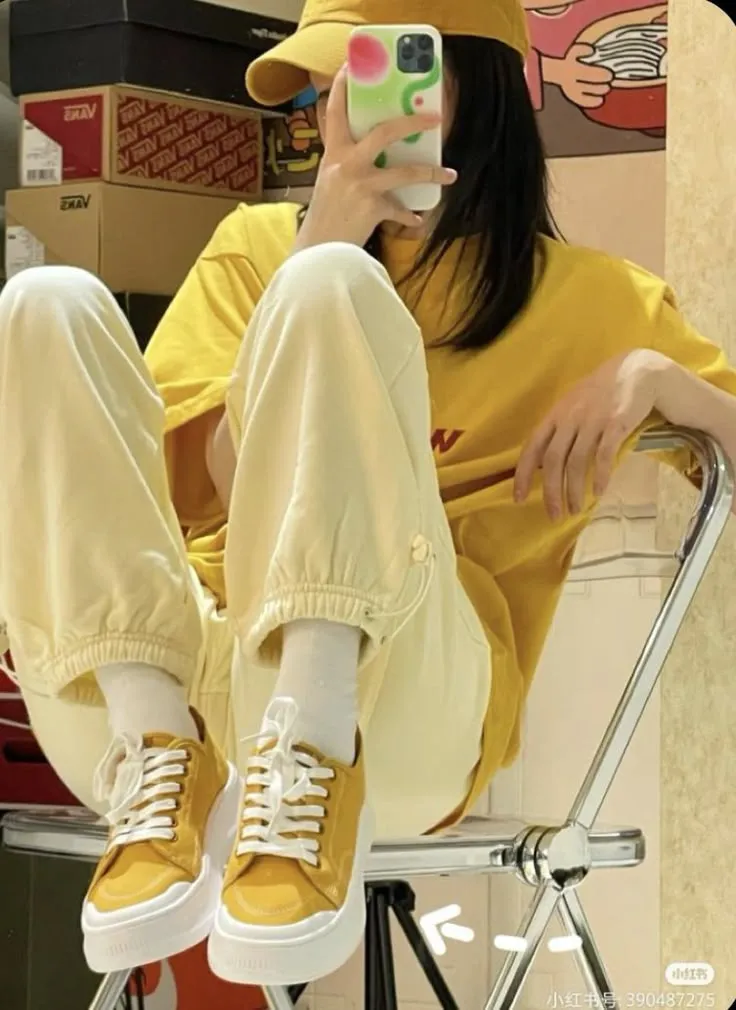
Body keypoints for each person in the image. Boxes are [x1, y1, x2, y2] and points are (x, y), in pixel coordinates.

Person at [1, 0, 735, 990]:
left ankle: (313, 740)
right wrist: (324, 241)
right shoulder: (258, 246)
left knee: (331, 292)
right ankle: (155, 738)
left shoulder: (590, 299)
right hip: (163, 706)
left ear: (463, 88)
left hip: (403, 722)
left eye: (365, 76)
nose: (327, 109)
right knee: (41, 303)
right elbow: (213, 489)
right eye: (319, 86)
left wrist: (659, 377)